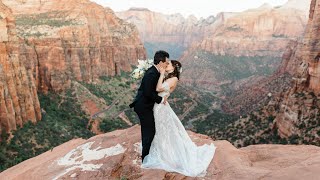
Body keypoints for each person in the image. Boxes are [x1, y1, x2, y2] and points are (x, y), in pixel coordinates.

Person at [141, 60, 216, 177]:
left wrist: (160, 74)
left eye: (169, 64)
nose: (166, 65)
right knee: (160, 129)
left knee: (162, 129)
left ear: (174, 68)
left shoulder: (174, 78)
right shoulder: (168, 76)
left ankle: (167, 154)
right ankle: (161, 149)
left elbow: (158, 88)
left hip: (161, 107)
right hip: (159, 105)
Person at [129, 50, 170, 162]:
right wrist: (161, 99)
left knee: (148, 130)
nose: (167, 64)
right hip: (143, 106)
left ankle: (146, 153)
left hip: (145, 105)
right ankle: (145, 158)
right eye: (166, 62)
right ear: (161, 62)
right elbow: (148, 93)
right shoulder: (152, 73)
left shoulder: (154, 71)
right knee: (149, 131)